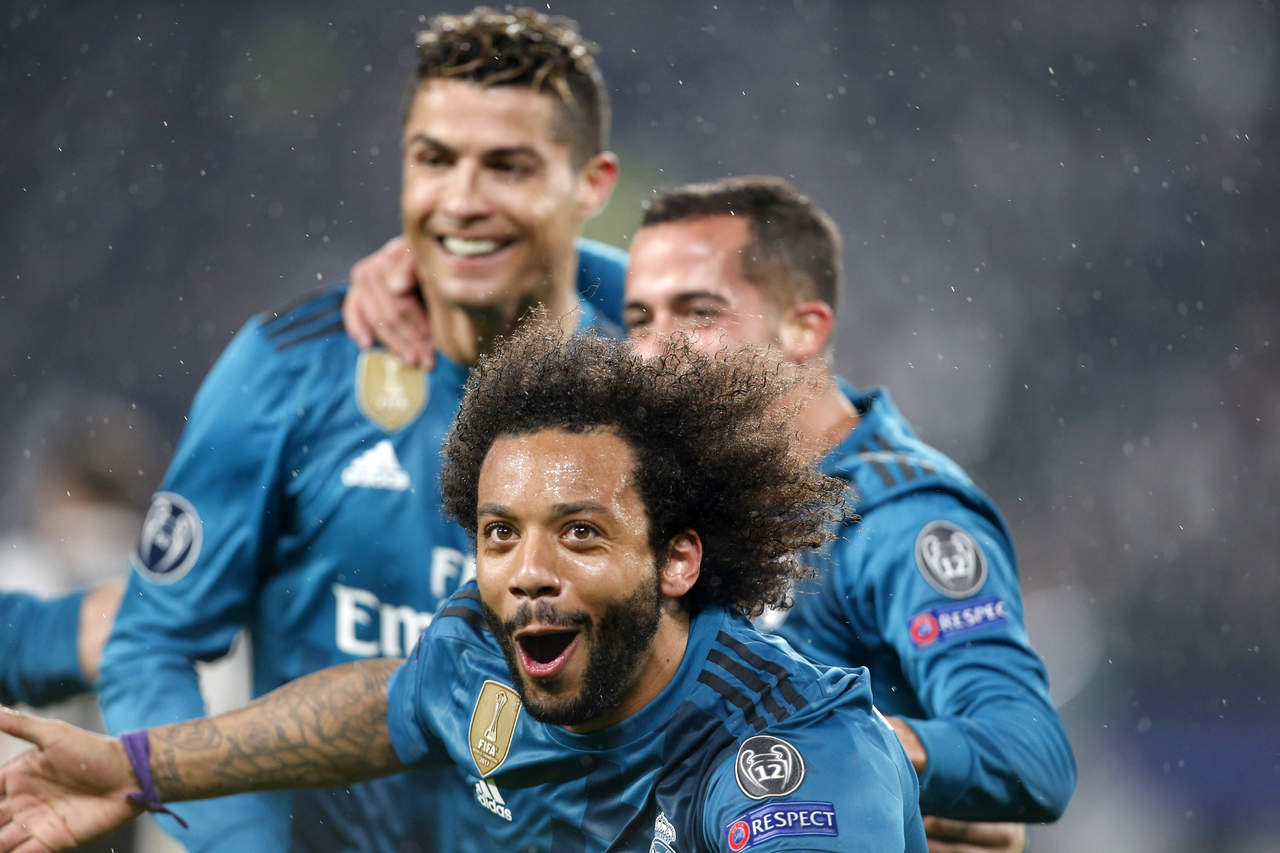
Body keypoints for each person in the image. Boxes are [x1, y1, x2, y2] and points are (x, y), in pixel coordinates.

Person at [345, 177, 1077, 852]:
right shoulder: (676, 474)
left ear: (804, 329)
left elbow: (1031, 754)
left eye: (697, 313)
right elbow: (579, 274)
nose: (653, 349)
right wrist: (441, 257)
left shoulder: (898, 522)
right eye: (638, 317)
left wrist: (851, 754)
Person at [0, 328, 927, 853]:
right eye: (500, 533)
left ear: (677, 561)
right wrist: (140, 766)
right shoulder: (481, 653)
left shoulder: (790, 752)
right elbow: (389, 702)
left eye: (580, 532)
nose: (527, 571)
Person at [97, 8, 625, 852]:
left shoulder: (650, 389)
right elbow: (149, 645)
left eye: (508, 167)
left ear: (590, 186)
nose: (461, 201)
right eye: (434, 159)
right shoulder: (288, 374)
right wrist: (240, 843)